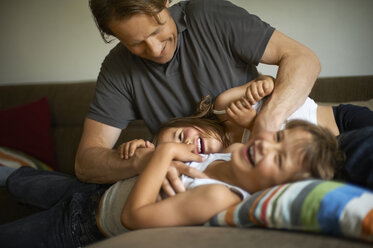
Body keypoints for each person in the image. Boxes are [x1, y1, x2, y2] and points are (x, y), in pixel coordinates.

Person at [75, 0, 321, 185]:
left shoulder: (208, 16)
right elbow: (86, 162)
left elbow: (303, 58)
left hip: (313, 137)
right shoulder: (117, 69)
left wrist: (266, 125)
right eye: (135, 43)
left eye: (156, 29)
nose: (155, 49)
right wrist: (146, 161)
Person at [0, 119, 342, 247]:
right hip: (93, 190)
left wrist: (163, 154)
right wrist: (142, 151)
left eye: (279, 158)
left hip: (82, 227)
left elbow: (134, 218)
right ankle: (11, 170)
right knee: (23, 182)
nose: (267, 144)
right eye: (278, 136)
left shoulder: (219, 198)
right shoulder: (233, 152)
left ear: (278, 190)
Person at [203, 74, 373, 143]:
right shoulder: (231, 155)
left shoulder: (222, 106)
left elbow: (269, 81)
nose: (190, 144)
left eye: (181, 136)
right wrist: (253, 124)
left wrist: (266, 84)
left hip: (339, 118)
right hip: (330, 148)